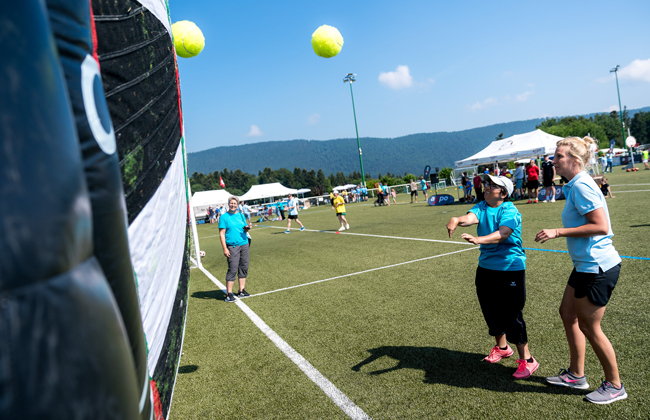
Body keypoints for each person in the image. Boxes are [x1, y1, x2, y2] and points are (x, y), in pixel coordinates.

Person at [535, 136, 626, 405]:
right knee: (567, 313)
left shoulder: (582, 185)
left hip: (597, 267)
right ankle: (576, 375)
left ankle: (615, 385)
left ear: (575, 161)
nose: (553, 160)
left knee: (589, 325)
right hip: (585, 266)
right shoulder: (575, 185)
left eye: (559, 156)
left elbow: (600, 225)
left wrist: (558, 231)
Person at [446, 175, 538, 379]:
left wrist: (479, 239)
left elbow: (503, 233)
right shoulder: (481, 206)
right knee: (490, 310)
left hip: (510, 268)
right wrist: (456, 219)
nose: (487, 187)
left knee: (512, 314)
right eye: (487, 184)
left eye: (492, 186)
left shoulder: (510, 210)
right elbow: (470, 218)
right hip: (486, 268)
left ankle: (528, 360)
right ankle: (502, 347)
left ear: (503, 193)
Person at [219, 196, 252, 302]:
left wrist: (247, 228)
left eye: (235, 203)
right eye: (231, 203)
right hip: (232, 246)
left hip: (244, 244)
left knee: (244, 267)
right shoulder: (224, 217)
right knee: (232, 268)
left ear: (238, 205)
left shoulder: (241, 215)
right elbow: (222, 234)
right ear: (229, 204)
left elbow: (244, 228)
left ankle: (241, 290)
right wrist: (225, 248)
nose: (233, 205)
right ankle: (229, 294)